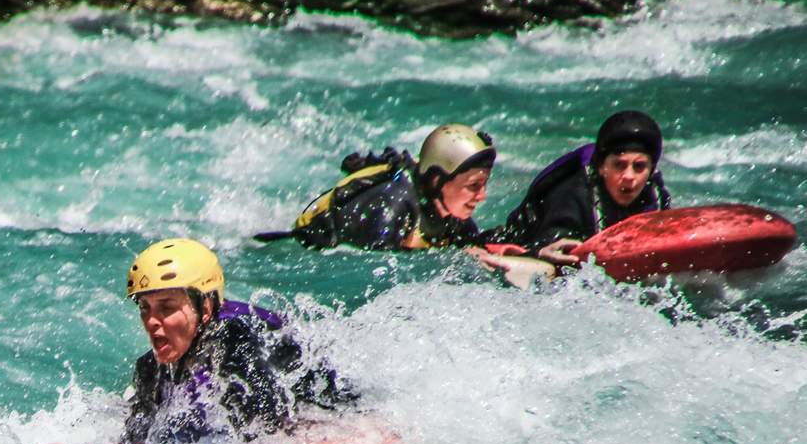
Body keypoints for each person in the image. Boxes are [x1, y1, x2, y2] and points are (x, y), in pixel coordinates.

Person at [121, 238, 355, 444]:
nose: (151, 321)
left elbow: (267, 435)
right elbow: (134, 443)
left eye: (167, 307)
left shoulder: (237, 340)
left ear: (205, 308)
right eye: (144, 307)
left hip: (336, 418)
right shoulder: (150, 368)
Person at [254, 124, 496, 261]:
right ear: (436, 180)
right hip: (298, 251)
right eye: (473, 185)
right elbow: (368, 274)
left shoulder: (450, 214)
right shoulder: (390, 210)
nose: (482, 196)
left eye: (484, 185)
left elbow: (472, 244)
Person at [498, 110, 671, 264]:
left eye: (639, 167)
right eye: (619, 165)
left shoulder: (655, 193)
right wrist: (543, 251)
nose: (629, 176)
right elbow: (551, 242)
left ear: (650, 170)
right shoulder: (573, 194)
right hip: (518, 244)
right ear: (603, 168)